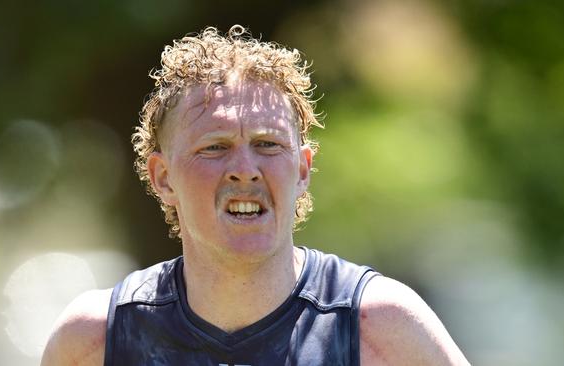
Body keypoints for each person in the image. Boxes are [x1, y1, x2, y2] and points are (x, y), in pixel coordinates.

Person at [41, 25, 470, 366]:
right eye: (214, 147)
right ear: (163, 178)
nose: (245, 170)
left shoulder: (379, 328)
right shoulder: (95, 343)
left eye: (268, 145)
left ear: (302, 170)